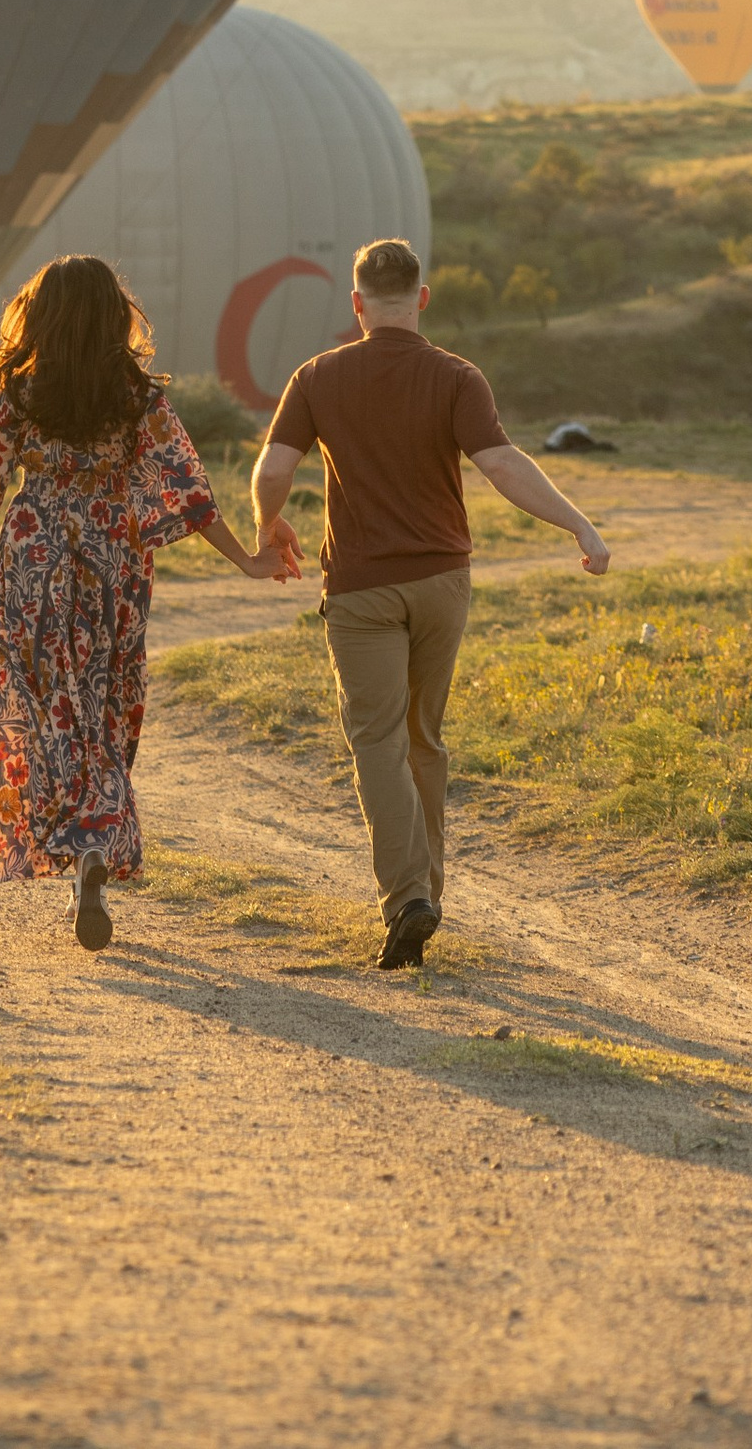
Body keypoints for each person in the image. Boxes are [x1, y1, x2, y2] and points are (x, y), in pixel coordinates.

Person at [0, 253, 300, 947]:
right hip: (113, 556)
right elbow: (187, 490)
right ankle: (92, 843)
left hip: (33, 554)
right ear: (112, 318)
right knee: (100, 700)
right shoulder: (137, 397)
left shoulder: (19, 392)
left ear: (40, 316)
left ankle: (72, 838)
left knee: (42, 702)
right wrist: (247, 560)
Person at [250, 234, 607, 970]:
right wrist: (580, 524)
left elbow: (275, 468)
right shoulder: (455, 376)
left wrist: (267, 526)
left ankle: (408, 898)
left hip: (361, 588)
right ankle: (425, 896)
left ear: (356, 304)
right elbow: (503, 465)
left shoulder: (317, 376)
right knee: (423, 738)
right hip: (443, 583)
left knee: (377, 741)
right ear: (421, 298)